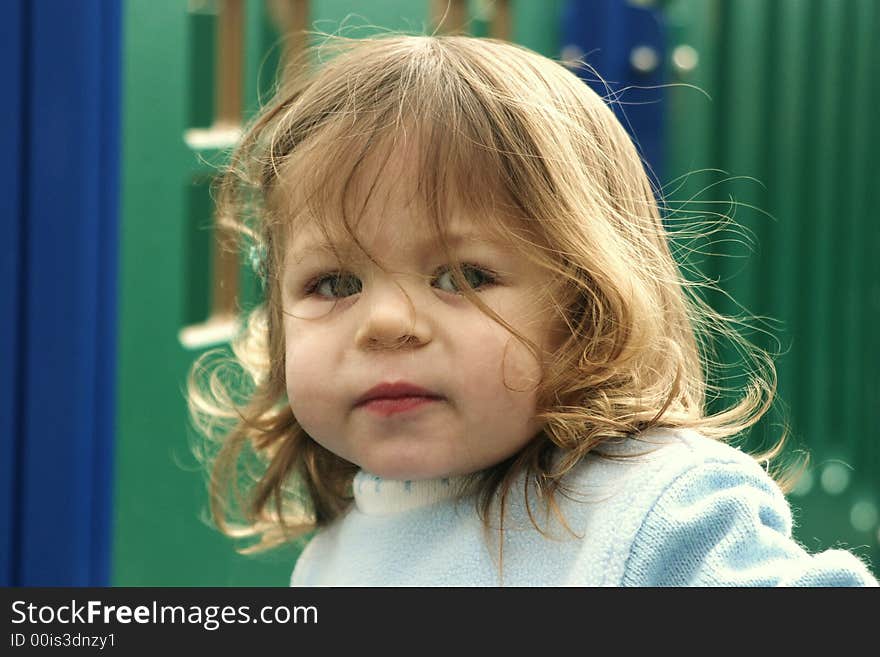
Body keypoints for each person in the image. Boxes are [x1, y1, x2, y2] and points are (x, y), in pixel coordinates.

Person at [188, 34, 878, 586]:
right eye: (335, 284)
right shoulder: (340, 548)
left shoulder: (656, 508)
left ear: (584, 306)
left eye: (463, 275)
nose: (386, 323)